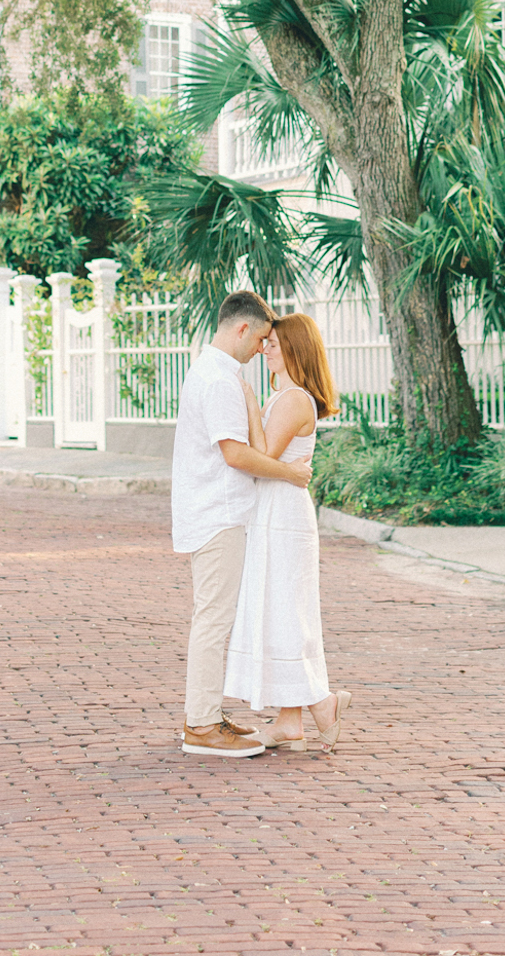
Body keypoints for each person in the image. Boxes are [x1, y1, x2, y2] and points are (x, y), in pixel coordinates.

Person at [171, 291, 314, 757]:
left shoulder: (218, 374)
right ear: (242, 330)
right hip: (219, 513)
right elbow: (236, 455)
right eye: (261, 340)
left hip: (222, 511)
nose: (261, 350)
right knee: (213, 618)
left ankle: (208, 716)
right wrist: (292, 474)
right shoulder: (217, 380)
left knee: (215, 616)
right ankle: (201, 726)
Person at [223, 313, 352, 752]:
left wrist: (246, 398)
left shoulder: (295, 399)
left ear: (296, 348)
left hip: (284, 514)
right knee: (278, 611)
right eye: (265, 342)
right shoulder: (285, 397)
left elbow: (262, 453)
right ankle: (290, 721)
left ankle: (321, 702)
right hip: (272, 509)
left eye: (274, 343)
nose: (265, 348)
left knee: (287, 611)